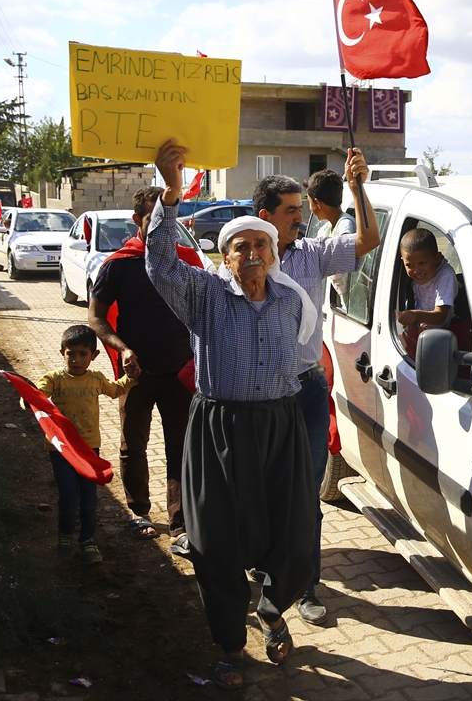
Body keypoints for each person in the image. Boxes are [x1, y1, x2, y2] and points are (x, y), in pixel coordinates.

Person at [148, 138, 320, 690]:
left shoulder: (291, 301)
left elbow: (299, 358)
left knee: (293, 536)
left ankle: (271, 613)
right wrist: (171, 197)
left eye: (259, 245)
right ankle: (229, 644)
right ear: (225, 257)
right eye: (239, 246)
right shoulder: (204, 295)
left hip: (278, 426)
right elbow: (159, 263)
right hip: (218, 428)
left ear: (273, 253)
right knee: (214, 543)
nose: (251, 253)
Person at [253, 153, 378, 627]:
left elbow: (368, 239)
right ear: (265, 217)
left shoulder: (314, 254)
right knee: (263, 489)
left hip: (306, 391)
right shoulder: (244, 256)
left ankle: (305, 586)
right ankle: (266, 576)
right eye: (292, 212)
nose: (301, 218)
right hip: (261, 397)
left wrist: (357, 187)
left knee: (306, 492)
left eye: (302, 212)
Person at [89, 186, 195, 556]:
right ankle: (139, 513)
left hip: (183, 372)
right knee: (132, 445)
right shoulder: (118, 264)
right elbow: (97, 318)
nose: (162, 228)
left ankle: (181, 524)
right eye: (153, 220)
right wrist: (123, 349)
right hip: (135, 374)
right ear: (137, 221)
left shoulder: (188, 261)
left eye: (168, 220)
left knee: (182, 449)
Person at [35, 324, 137, 565]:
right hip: (62, 450)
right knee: (69, 498)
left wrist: (131, 378)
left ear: (94, 355)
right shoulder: (54, 379)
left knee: (89, 499)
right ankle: (65, 537)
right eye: (71, 353)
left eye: (83, 353)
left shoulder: (96, 379)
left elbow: (115, 390)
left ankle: (88, 540)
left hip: (90, 450)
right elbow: (37, 395)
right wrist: (28, 398)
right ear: (62, 353)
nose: (76, 359)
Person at [397, 228, 456, 331]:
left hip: (441, 336)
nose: (416, 271)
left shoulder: (445, 276)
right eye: (409, 265)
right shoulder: (416, 275)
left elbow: (440, 316)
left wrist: (416, 315)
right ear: (403, 262)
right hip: (422, 329)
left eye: (422, 263)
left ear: (437, 258)